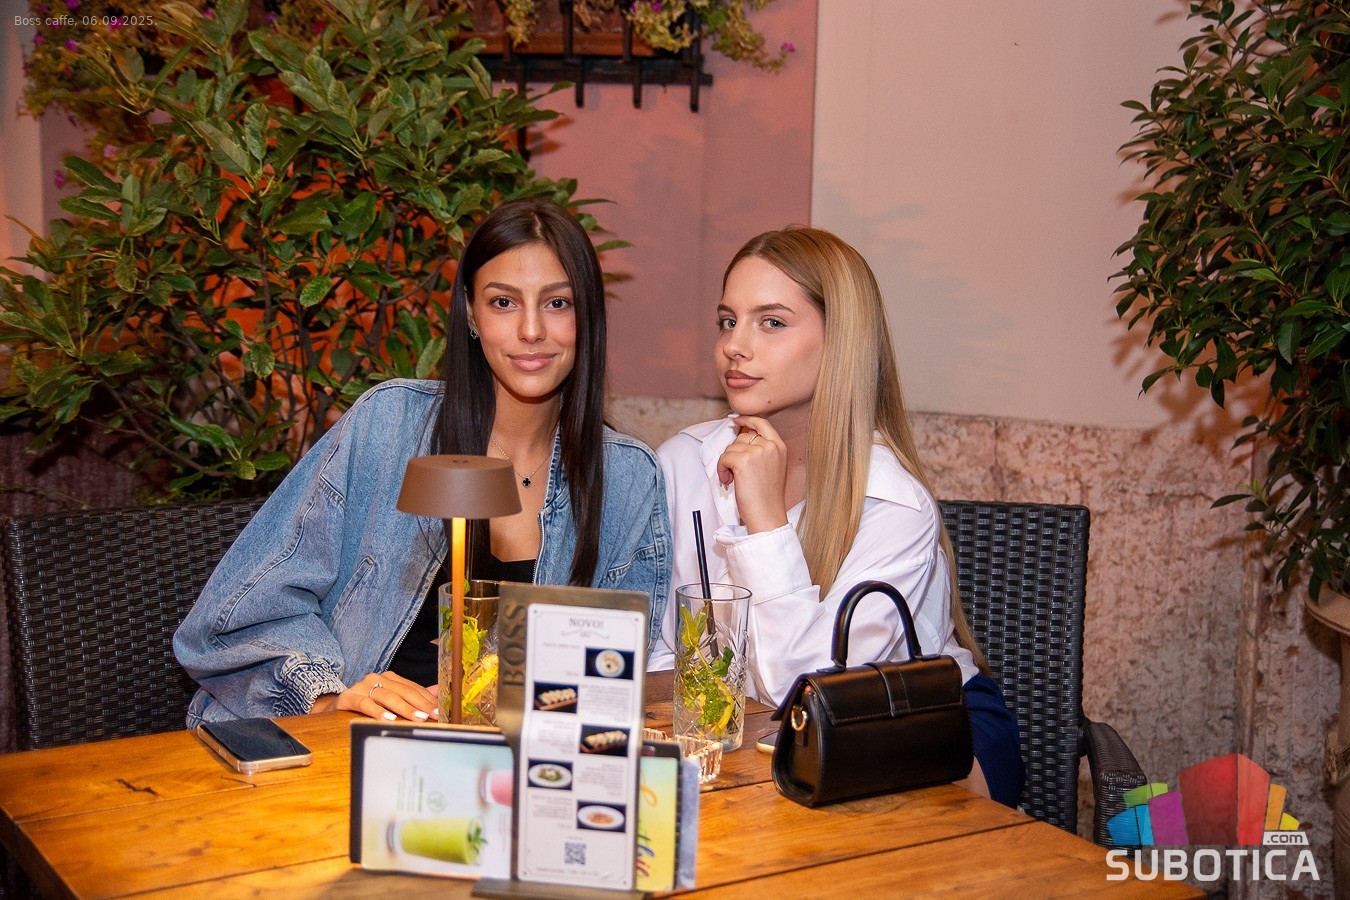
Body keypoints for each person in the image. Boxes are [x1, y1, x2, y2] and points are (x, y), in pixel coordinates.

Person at [175, 198, 671, 727]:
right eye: (504, 302)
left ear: (587, 316)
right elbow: (236, 618)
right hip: (348, 742)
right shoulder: (388, 426)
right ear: (471, 314)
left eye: (557, 303)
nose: (531, 330)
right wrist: (328, 698)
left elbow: (608, 680)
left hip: (506, 757)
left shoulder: (626, 479)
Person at [649, 226, 1023, 806]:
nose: (735, 346)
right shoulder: (683, 461)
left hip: (914, 732)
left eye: (772, 322)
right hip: (749, 738)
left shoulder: (892, 504)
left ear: (842, 341)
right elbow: (661, 647)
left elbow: (805, 694)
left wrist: (765, 520)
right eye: (728, 320)